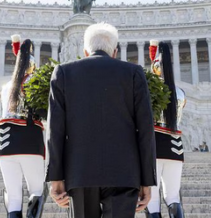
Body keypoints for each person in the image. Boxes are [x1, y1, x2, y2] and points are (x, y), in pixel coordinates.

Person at [46, 23, 156, 218]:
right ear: (115, 52)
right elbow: (146, 130)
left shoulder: (63, 73)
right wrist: (147, 180)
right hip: (124, 173)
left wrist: (56, 177)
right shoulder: (133, 73)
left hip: (80, 172)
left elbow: (55, 131)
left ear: (85, 51)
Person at [0, 35, 46, 218]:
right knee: (37, 191)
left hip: (5, 145)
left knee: (14, 197)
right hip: (29, 142)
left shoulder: (5, 87)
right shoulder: (35, 83)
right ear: (32, 66)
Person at [146, 40, 186, 218]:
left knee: (152, 201)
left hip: (153, 148)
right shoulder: (180, 93)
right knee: (173, 198)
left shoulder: (148, 92)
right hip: (175, 148)